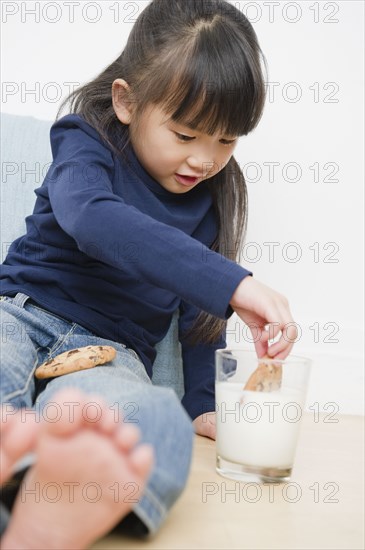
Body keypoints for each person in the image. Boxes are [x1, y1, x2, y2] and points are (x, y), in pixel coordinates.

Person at [0, 0, 297, 547]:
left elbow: (199, 315)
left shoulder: (208, 206)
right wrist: (233, 281)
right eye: (186, 135)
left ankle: (50, 495)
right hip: (19, 315)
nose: (206, 160)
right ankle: (23, 475)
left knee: (148, 419)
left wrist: (203, 404)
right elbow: (91, 218)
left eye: (226, 140)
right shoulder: (83, 142)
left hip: (111, 353)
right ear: (126, 101)